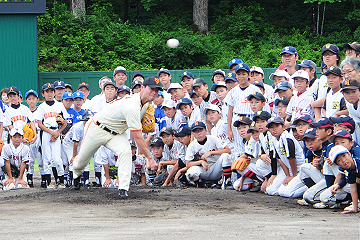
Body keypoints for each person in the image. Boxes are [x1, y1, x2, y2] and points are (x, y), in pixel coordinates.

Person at [72, 76, 160, 197]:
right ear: (142, 88)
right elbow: (138, 137)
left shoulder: (146, 104)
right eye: (151, 89)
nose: (154, 92)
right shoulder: (132, 105)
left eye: (157, 90)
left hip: (116, 133)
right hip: (97, 128)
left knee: (126, 152)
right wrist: (150, 158)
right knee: (81, 161)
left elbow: (142, 125)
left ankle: (123, 188)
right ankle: (76, 175)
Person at [35, 83, 69, 188]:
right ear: (43, 94)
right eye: (47, 92)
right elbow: (40, 124)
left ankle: (61, 181)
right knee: (47, 158)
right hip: (46, 133)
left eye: (51, 91)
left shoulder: (59, 105)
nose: (49, 94)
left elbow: (65, 122)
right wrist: (52, 133)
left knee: (57, 159)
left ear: (54, 93)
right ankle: (49, 182)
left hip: (56, 132)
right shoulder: (41, 107)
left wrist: (57, 133)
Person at [185, 121, 232, 189]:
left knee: (225, 156)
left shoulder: (213, 138)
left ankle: (227, 182)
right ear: (192, 134)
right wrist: (201, 162)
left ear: (206, 131)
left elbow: (228, 150)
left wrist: (211, 152)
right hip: (203, 170)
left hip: (216, 168)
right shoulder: (192, 145)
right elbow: (187, 164)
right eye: (196, 131)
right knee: (190, 173)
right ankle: (200, 183)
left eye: (200, 130)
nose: (198, 133)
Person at [327, 145, 360, 214]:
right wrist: (355, 209)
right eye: (339, 160)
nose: (343, 160)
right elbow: (353, 188)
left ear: (349, 154)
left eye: (344, 155)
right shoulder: (349, 170)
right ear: (338, 165)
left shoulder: (358, 162)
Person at [24, 89, 41, 187]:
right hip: (27, 138)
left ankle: (44, 179)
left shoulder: (40, 110)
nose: (31, 101)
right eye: (29, 99)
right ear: (26, 101)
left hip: (39, 135)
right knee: (29, 159)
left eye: (33, 98)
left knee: (41, 158)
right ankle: (29, 179)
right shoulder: (25, 111)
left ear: (37, 100)